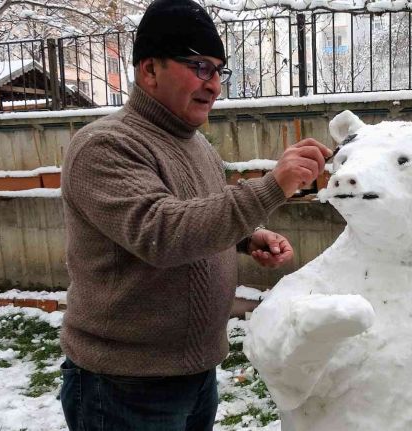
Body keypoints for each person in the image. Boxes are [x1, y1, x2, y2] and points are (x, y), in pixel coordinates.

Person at [58, 0, 331, 429]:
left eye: (220, 71)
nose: (215, 85)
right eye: (200, 67)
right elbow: (161, 232)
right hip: (124, 385)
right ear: (150, 70)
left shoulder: (195, 142)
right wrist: (271, 188)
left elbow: (198, 208)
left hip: (196, 373)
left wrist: (247, 236)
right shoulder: (105, 145)